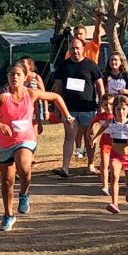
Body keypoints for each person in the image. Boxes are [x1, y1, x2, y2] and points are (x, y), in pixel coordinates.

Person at [0, 62, 74, 231]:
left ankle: (24, 194)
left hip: (26, 138)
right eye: (11, 74)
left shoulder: (30, 94)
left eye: (18, 74)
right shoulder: (3, 96)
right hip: (5, 142)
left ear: (25, 77)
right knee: (7, 180)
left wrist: (67, 115)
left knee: (23, 165)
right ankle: (8, 214)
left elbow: (56, 97)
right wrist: (0, 124)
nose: (14, 77)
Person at [52, 38, 105, 178]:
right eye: (72, 48)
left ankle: (91, 165)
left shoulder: (91, 64)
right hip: (69, 109)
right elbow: (57, 87)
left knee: (89, 138)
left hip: (88, 108)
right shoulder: (63, 66)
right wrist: (57, 108)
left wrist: (103, 106)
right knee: (69, 138)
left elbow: (100, 85)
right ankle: (65, 168)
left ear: (83, 49)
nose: (75, 51)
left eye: (77, 48)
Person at [89, 96, 128, 213]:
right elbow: (102, 128)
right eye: (118, 109)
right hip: (116, 155)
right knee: (114, 177)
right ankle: (114, 203)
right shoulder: (110, 122)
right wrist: (94, 139)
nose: (121, 112)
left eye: (123, 109)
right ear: (114, 110)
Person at [88, 94, 116, 196]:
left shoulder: (118, 115)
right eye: (106, 104)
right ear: (102, 105)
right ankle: (105, 186)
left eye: (111, 104)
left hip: (117, 143)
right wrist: (91, 136)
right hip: (105, 142)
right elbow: (92, 123)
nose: (109, 107)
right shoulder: (100, 116)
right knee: (104, 163)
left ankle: (115, 184)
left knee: (114, 165)